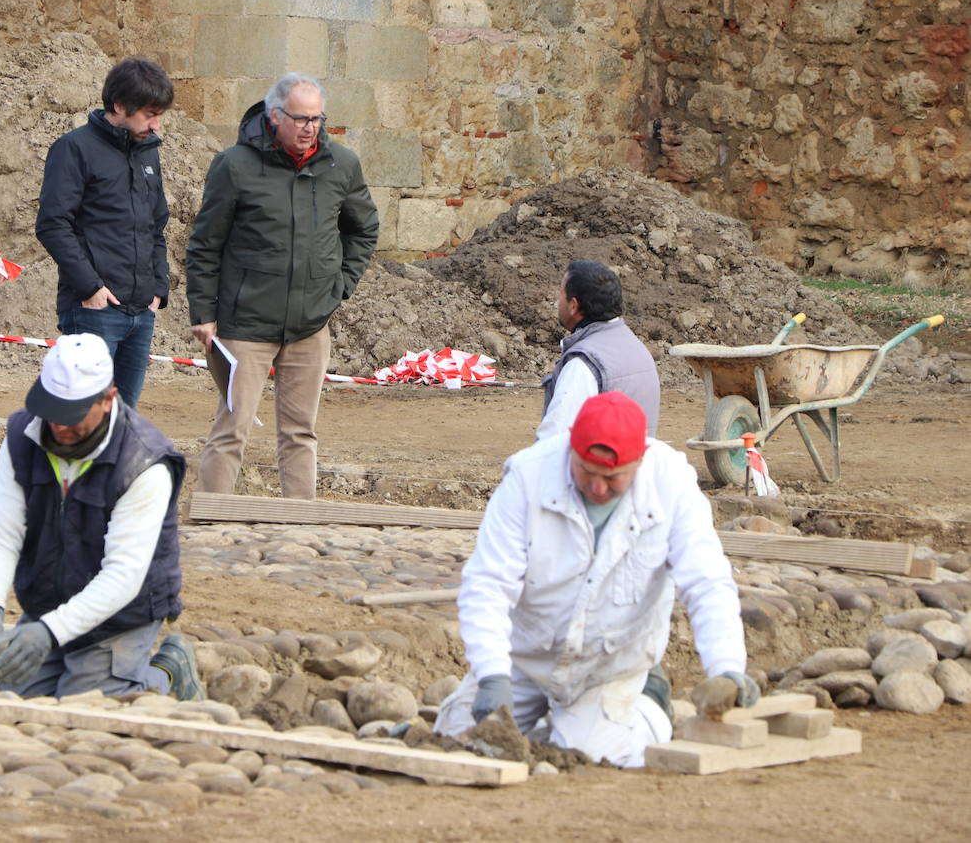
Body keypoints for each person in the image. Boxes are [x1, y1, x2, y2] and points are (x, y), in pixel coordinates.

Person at [434, 391, 756, 768]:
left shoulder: (671, 483)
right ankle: (543, 729)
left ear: (639, 461)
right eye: (586, 471)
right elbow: (488, 583)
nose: (598, 488)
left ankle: (649, 705)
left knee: (590, 756)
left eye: (613, 478)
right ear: (571, 448)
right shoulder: (528, 476)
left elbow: (707, 582)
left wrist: (727, 668)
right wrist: (490, 675)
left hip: (608, 666)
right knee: (458, 742)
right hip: (526, 657)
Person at [0, 333, 203, 701]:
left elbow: (123, 576)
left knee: (87, 703)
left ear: (108, 400)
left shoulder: (144, 461)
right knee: (19, 693)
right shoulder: (21, 438)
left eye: (71, 413)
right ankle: (64, 651)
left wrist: (47, 633)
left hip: (123, 614)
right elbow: (1, 532)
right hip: (51, 600)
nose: (58, 424)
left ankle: (166, 671)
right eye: (52, 408)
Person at [185, 72, 379, 499]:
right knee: (232, 429)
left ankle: (300, 527)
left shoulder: (341, 165)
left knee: (300, 433)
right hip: (246, 324)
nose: (310, 127)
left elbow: (363, 230)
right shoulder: (234, 166)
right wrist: (203, 313)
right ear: (275, 116)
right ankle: (212, 518)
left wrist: (339, 287)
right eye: (301, 118)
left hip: (310, 324)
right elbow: (205, 244)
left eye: (317, 118)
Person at [34, 58, 174, 410]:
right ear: (119, 107)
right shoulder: (74, 149)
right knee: (84, 417)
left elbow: (156, 226)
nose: (156, 124)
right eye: (148, 114)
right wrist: (91, 288)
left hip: (141, 312)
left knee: (123, 421)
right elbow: (53, 224)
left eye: (160, 114)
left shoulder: (148, 154)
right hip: (93, 311)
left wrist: (158, 289)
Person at [537, 260, 660, 441]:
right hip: (634, 466)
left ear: (573, 305)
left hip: (598, 468)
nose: (558, 299)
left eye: (561, 292)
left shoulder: (583, 364)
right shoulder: (637, 348)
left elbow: (553, 440)